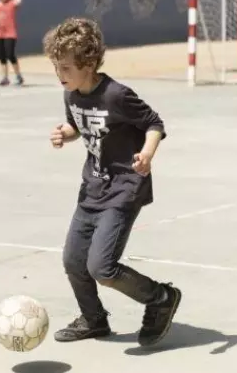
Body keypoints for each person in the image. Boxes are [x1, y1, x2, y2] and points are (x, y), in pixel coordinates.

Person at [45, 17, 181, 346]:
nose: (59, 76)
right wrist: (66, 133)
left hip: (123, 189)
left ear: (89, 63)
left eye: (65, 68)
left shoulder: (116, 95)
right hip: (91, 188)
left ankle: (160, 297)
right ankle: (94, 320)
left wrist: (147, 154)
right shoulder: (72, 94)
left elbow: (154, 123)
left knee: (101, 267)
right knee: (73, 261)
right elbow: (81, 126)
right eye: (56, 68)